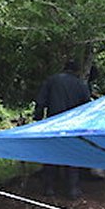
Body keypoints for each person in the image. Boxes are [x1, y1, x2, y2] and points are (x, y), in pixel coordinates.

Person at [33, 59, 91, 197]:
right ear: (76, 71)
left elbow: (40, 102)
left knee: (51, 155)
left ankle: (49, 188)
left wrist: (37, 119)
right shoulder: (81, 85)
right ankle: (72, 189)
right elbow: (88, 108)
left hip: (53, 124)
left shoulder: (52, 80)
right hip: (73, 126)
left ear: (64, 68)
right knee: (72, 155)